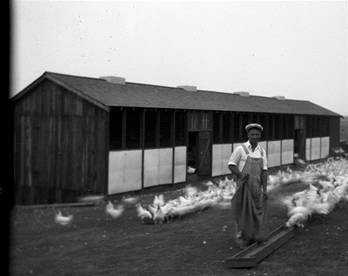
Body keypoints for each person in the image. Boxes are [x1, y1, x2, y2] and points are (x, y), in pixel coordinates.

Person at [228, 123, 268, 248]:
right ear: (248, 135)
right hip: (243, 186)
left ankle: (254, 236)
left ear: (260, 135)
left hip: (256, 186)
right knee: (243, 211)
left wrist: (265, 189)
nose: (255, 136)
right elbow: (231, 164)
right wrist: (239, 175)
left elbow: (264, 171)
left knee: (257, 211)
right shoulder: (241, 149)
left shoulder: (262, 151)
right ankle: (242, 239)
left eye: (257, 134)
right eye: (252, 134)